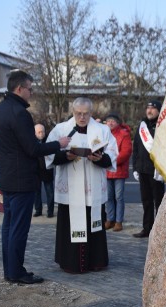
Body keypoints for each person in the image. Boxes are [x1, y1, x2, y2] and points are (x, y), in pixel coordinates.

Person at [0, 69, 69, 284]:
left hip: (6, 178)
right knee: (18, 228)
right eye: (30, 89)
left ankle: (10, 270)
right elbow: (32, 148)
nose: (31, 93)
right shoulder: (19, 113)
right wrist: (57, 145)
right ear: (19, 88)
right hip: (21, 180)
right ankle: (16, 272)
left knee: (9, 226)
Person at [45, 97, 118, 273]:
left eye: (86, 114)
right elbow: (48, 154)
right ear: (73, 112)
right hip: (70, 191)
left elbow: (113, 154)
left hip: (93, 191)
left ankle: (95, 261)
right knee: (69, 226)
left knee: (94, 225)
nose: (82, 117)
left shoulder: (102, 130)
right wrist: (65, 156)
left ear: (91, 113)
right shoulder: (61, 129)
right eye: (78, 113)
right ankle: (70, 262)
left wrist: (100, 158)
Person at [131, 100, 165, 238]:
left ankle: (160, 231)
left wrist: (163, 169)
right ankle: (147, 228)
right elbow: (136, 148)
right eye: (148, 108)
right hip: (143, 170)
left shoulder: (163, 126)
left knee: (159, 202)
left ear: (158, 111)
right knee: (146, 201)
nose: (149, 110)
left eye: (153, 108)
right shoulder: (142, 126)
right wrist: (135, 167)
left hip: (156, 171)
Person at [104, 112, 132, 232]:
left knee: (118, 197)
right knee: (108, 197)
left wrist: (111, 162)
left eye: (113, 121)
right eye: (108, 120)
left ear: (117, 123)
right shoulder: (103, 133)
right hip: (106, 170)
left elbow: (126, 152)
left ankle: (118, 221)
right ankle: (110, 219)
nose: (110, 123)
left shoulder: (124, 134)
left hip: (118, 170)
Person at [33, 123, 55, 218]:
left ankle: (50, 211)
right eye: (39, 132)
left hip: (47, 169)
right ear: (35, 133)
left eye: (42, 131)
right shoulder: (32, 141)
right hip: (36, 170)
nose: (41, 134)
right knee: (36, 192)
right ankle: (38, 210)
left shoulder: (49, 140)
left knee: (49, 191)